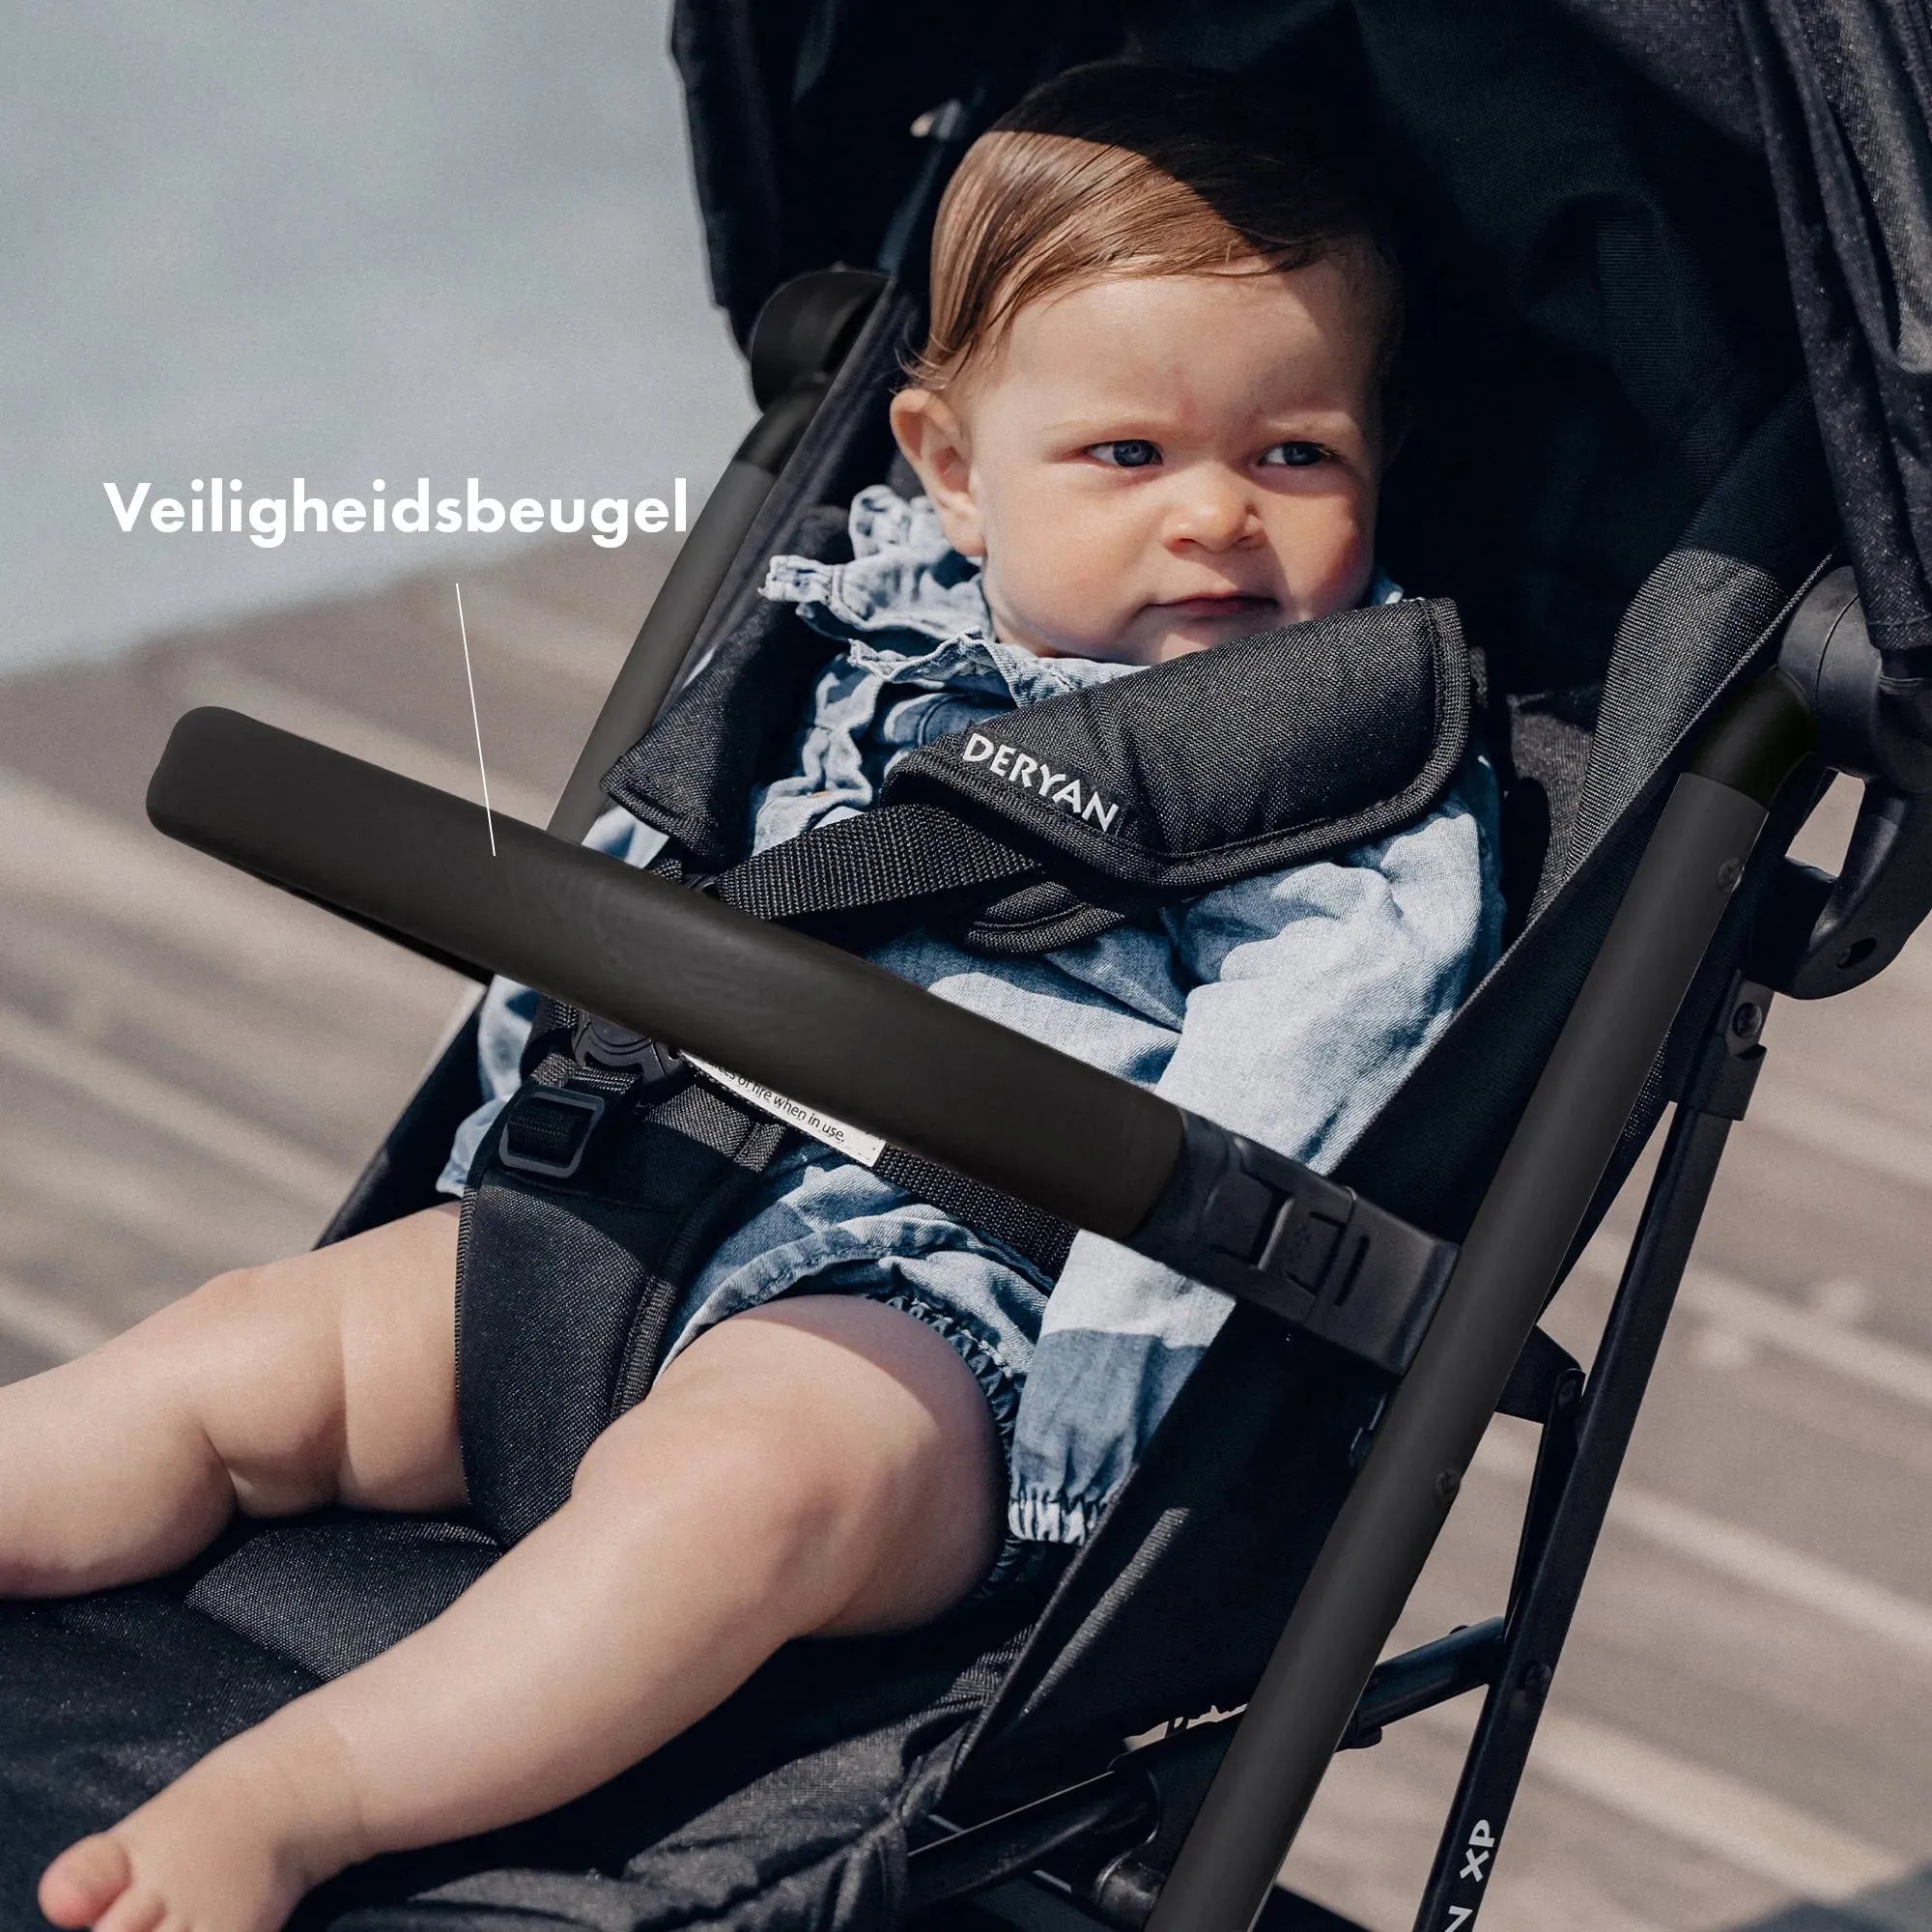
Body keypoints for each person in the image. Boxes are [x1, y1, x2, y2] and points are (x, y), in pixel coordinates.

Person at [14, 62, 1501, 1932]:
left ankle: (294, 1802)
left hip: (945, 1314)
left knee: (731, 1490)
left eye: (1294, 457)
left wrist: (1106, 1436)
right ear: (948, 468)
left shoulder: (1343, 774)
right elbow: (642, 871)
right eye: (1127, 455)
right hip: (633, 1195)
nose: (1214, 515)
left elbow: (1292, 1106)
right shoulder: (834, 628)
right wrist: (518, 1158)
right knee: (242, 1350)